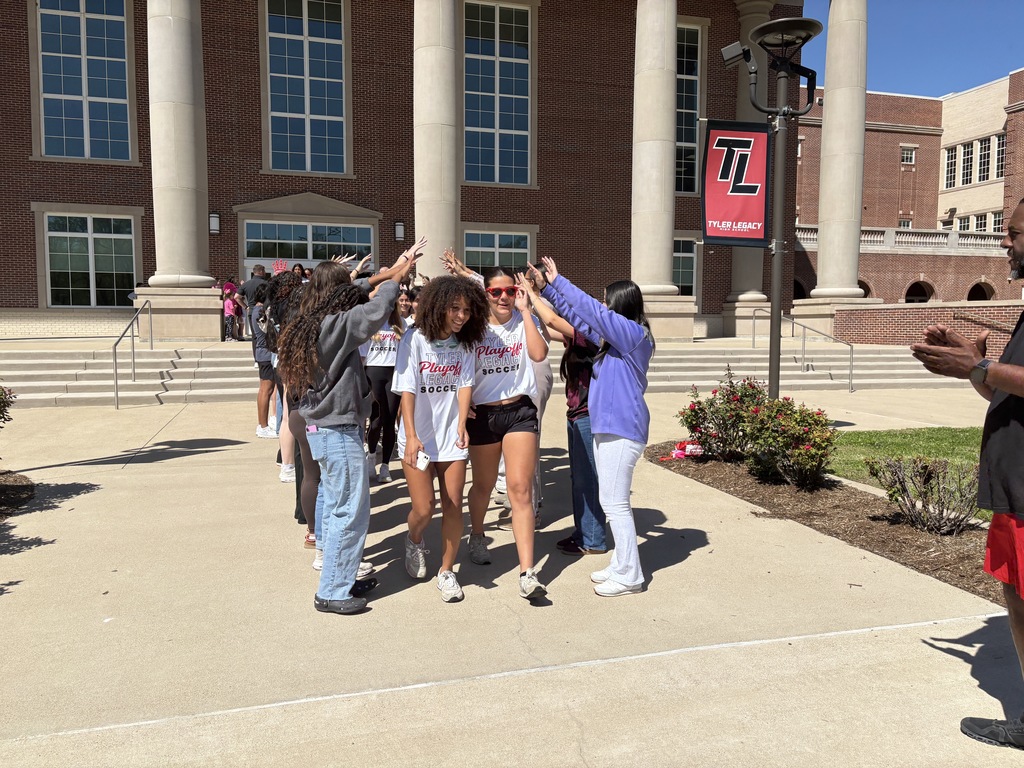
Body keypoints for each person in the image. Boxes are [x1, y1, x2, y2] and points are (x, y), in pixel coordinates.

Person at [911, 198, 1024, 749]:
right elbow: (1006, 384)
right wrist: (972, 367)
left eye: (1015, 233)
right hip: (1014, 490)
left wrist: (979, 365)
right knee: (1018, 601)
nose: (1005, 242)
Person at [277, 239, 422, 616]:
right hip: (337, 431)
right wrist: (395, 280)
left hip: (324, 430)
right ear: (337, 294)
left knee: (335, 505)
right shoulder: (335, 326)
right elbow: (373, 312)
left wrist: (388, 270)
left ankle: (339, 576)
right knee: (350, 512)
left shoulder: (309, 322)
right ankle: (334, 591)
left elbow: (354, 292)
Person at [531, 257, 654, 597]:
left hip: (622, 430)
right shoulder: (614, 339)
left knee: (616, 504)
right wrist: (546, 293)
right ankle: (621, 564)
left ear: (620, 304)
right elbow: (576, 318)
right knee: (610, 499)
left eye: (606, 298)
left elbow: (593, 313)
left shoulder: (632, 335)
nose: (602, 303)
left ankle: (630, 575)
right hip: (609, 428)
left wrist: (559, 282)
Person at [393, 275, 488, 602]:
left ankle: (446, 571)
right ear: (438, 307)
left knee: (452, 506)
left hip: (451, 438)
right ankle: (415, 539)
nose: (461, 316)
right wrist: (412, 435)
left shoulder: (466, 344)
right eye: (454, 309)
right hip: (417, 437)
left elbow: (464, 385)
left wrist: (461, 424)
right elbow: (407, 389)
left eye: (466, 310)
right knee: (424, 507)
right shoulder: (414, 339)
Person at [465, 266, 549, 600]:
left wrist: (527, 312)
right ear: (484, 294)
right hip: (484, 414)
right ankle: (477, 533)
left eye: (510, 291)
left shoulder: (524, 320)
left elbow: (539, 354)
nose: (504, 297)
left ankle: (527, 571)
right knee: (483, 485)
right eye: (496, 292)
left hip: (520, 412)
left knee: (519, 489)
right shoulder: (473, 329)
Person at [519, 273, 606, 555]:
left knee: (587, 478)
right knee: (578, 477)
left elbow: (556, 322)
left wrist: (533, 296)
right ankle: (584, 533)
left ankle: (593, 539)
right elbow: (550, 329)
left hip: (588, 414)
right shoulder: (582, 334)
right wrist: (528, 309)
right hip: (576, 412)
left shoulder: (599, 336)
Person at [359, 298, 404, 483]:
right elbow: (362, 356)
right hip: (373, 372)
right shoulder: (370, 325)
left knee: (390, 420)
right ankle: (371, 458)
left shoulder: (401, 324)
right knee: (376, 420)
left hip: (394, 372)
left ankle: (385, 466)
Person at [250, 283, 277, 439]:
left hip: (264, 353)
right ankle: (263, 425)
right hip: (266, 354)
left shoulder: (255, 310)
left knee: (267, 389)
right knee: (265, 390)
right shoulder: (260, 311)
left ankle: (265, 424)